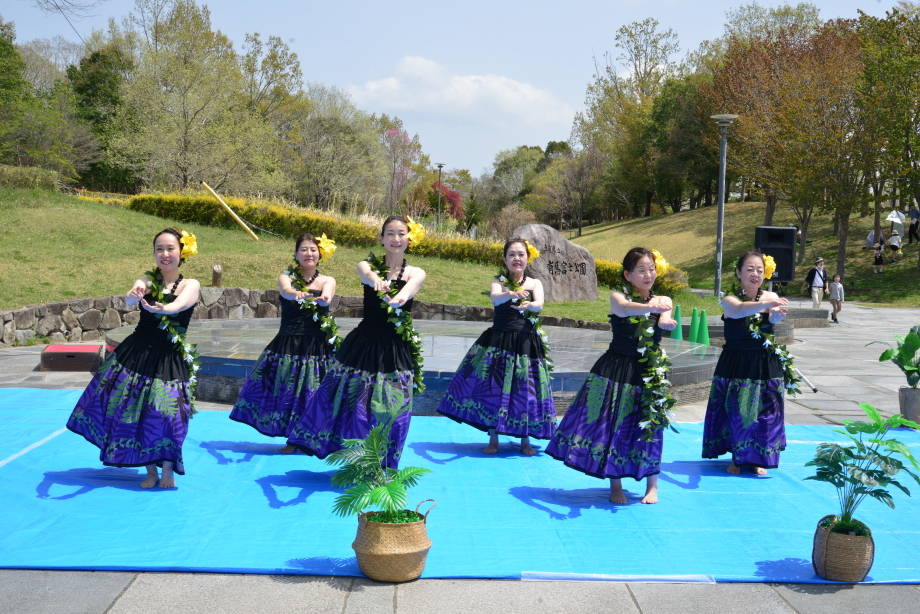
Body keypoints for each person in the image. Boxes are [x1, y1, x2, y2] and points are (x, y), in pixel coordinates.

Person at [286, 216, 426, 468]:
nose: (396, 239)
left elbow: (408, 291)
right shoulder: (366, 265)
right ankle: (355, 459)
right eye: (390, 233)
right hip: (363, 345)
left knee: (397, 409)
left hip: (396, 347)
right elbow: (368, 275)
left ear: (409, 239)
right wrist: (377, 282)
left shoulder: (416, 273)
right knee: (353, 404)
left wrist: (398, 299)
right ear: (381, 239)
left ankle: (384, 463)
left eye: (401, 233)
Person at [66, 228, 201, 489]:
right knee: (132, 411)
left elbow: (180, 304)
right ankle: (150, 471)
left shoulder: (190, 285)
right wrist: (134, 294)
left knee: (169, 415)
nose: (164, 253)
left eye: (170, 248)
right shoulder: (148, 279)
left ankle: (168, 467)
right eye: (159, 249)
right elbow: (130, 298)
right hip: (137, 353)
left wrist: (165, 308)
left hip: (169, 357)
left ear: (182, 252)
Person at [545, 247, 678, 505]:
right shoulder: (618, 297)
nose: (648, 274)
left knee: (650, 427)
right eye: (642, 270)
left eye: (651, 269)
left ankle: (652, 486)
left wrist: (665, 321)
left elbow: (664, 316)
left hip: (648, 372)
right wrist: (649, 306)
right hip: (616, 368)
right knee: (613, 426)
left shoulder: (663, 299)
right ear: (628, 275)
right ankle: (615, 485)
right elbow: (626, 309)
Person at [437, 238, 556, 455]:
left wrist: (530, 304)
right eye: (512, 254)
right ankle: (493, 438)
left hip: (525, 344)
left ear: (528, 259)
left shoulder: (534, 283)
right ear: (505, 259)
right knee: (493, 390)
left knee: (525, 391)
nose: (516, 258)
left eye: (521, 254)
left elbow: (539, 304)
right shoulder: (498, 282)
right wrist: (510, 294)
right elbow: (495, 299)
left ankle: (525, 440)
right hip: (499, 343)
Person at [229, 233, 337, 452]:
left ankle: (310, 438)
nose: (309, 253)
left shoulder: (328, 280)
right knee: (288, 393)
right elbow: (287, 293)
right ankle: (292, 440)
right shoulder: (286, 277)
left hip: (317, 345)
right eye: (304, 249)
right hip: (289, 342)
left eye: (313, 249)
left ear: (320, 254)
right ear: (296, 254)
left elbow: (327, 296)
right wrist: (300, 294)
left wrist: (323, 299)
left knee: (314, 393)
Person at [703, 251, 799, 475]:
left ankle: (758, 457)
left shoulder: (769, 296)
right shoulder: (729, 299)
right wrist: (768, 304)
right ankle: (737, 459)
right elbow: (738, 311)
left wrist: (776, 316)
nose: (755, 274)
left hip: (765, 361)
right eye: (749, 269)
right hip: (738, 361)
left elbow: (772, 317)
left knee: (766, 411)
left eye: (759, 270)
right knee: (739, 411)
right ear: (738, 273)